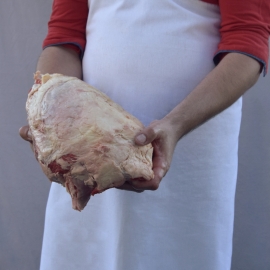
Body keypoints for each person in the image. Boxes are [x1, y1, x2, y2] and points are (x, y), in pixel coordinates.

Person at [20, 0, 270, 269]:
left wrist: (175, 125)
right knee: (87, 253)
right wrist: (49, 114)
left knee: (177, 252)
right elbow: (64, 38)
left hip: (191, 143)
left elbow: (247, 43)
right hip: (82, 143)